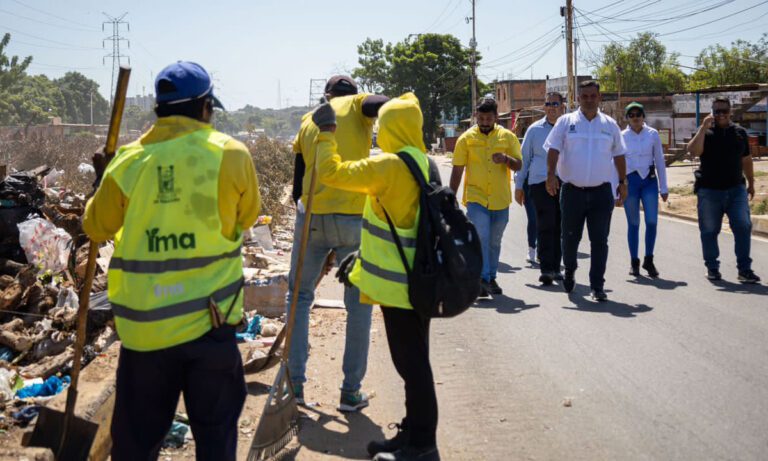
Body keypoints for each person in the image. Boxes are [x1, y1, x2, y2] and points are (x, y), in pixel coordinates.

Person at [83, 61, 261, 460]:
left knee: (136, 445)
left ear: (159, 111)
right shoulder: (231, 154)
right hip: (211, 324)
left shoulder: (128, 161)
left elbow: (95, 227)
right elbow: (247, 217)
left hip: (145, 333)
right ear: (205, 108)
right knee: (216, 442)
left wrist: (101, 185)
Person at [313, 93, 441, 461]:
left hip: (399, 289)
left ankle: (422, 447)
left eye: (382, 125)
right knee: (414, 364)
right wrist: (362, 255)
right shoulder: (423, 161)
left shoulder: (389, 166)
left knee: (413, 368)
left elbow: (331, 172)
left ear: (392, 128)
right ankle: (411, 434)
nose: (378, 132)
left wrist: (326, 132)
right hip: (418, 282)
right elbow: (401, 223)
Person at [287, 75, 389, 411]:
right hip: (352, 217)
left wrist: (309, 215)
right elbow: (383, 104)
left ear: (326, 95)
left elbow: (299, 175)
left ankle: (295, 386)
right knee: (358, 303)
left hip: (312, 215)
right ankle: (349, 392)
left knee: (300, 297)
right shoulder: (360, 106)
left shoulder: (309, 118)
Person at [543, 80, 628, 302]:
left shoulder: (610, 125)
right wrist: (550, 175)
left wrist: (622, 181)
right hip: (572, 192)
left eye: (593, 96)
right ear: (578, 99)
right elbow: (553, 149)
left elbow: (619, 154)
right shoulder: (565, 122)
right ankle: (569, 269)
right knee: (570, 238)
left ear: (599, 98)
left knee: (600, 240)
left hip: (601, 193)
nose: (589, 100)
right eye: (585, 96)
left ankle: (597, 285)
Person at [449, 97, 522, 297]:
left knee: (495, 240)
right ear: (476, 116)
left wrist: (506, 159)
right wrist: (450, 197)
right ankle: (481, 279)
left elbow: (519, 164)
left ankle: (490, 277)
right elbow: (457, 170)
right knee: (481, 236)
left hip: (500, 198)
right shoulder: (466, 138)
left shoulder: (507, 137)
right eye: (480, 118)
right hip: (476, 198)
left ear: (496, 117)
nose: (484, 122)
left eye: (488, 118)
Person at [686, 97, 761, 283]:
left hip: (736, 189)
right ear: (712, 112)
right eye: (716, 111)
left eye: (724, 111)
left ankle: (744, 270)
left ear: (730, 112)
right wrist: (703, 127)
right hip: (709, 191)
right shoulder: (706, 132)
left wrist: (751, 183)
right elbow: (693, 151)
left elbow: (746, 160)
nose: (720, 115)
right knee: (709, 230)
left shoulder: (740, 133)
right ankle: (712, 268)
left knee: (743, 227)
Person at [515, 92, 566, 285]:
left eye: (555, 103)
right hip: (538, 183)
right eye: (548, 103)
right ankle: (546, 269)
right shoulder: (534, 130)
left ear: (562, 106)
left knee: (560, 226)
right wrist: (519, 186)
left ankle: (556, 267)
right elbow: (524, 159)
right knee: (545, 224)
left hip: (565, 184)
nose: (551, 107)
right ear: (544, 107)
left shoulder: (570, 128)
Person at [621, 102, 668, 277]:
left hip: (648, 181)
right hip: (630, 182)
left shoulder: (652, 134)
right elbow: (615, 162)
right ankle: (634, 261)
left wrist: (663, 187)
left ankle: (649, 259)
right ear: (627, 118)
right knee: (633, 223)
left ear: (643, 116)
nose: (635, 118)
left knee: (652, 221)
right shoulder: (622, 136)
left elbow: (660, 161)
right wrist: (615, 188)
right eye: (631, 115)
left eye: (638, 114)